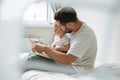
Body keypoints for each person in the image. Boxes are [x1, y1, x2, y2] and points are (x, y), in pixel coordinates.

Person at [22, 6, 97, 75]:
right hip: (70, 64)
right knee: (33, 54)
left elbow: (67, 60)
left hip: (78, 69)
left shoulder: (85, 34)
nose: (59, 28)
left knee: (32, 60)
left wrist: (46, 49)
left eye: (60, 26)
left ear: (69, 24)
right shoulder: (72, 30)